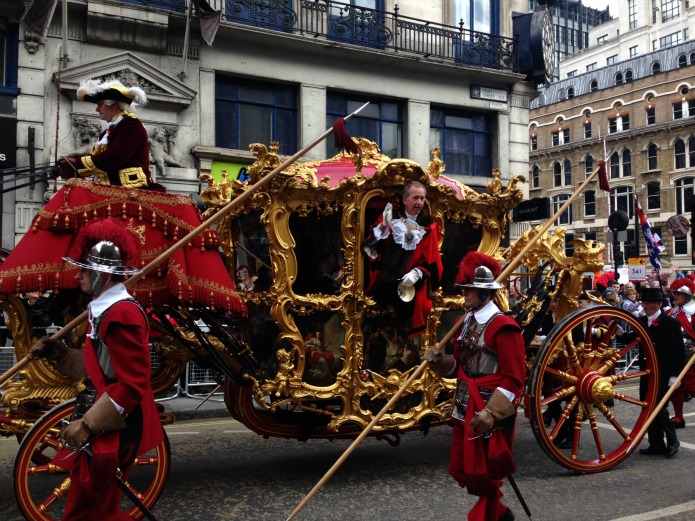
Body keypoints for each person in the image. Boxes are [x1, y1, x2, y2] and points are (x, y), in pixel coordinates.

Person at [29, 218, 164, 519]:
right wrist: (59, 353)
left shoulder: (122, 315)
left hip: (114, 424)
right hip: (102, 418)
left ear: (102, 275)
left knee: (90, 511)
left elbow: (131, 384)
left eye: (84, 270)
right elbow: (100, 371)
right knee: (89, 508)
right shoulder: (106, 310)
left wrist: (88, 424)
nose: (77, 276)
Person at [424, 252, 525, 521]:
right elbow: (459, 366)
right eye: (465, 289)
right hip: (464, 405)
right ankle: (500, 514)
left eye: (470, 290)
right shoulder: (466, 322)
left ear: (484, 294)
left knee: (484, 470)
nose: (465, 294)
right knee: (461, 468)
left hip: (489, 410)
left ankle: (491, 515)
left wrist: (491, 413)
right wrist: (438, 361)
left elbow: (514, 378)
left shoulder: (504, 327)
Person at [362, 180, 443, 338]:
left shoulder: (428, 226)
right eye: (415, 198)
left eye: (421, 198)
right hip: (385, 278)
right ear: (405, 200)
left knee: (410, 299)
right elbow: (368, 246)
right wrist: (384, 226)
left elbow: (431, 259)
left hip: (414, 281)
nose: (419, 202)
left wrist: (415, 274)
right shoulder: (390, 217)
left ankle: (406, 334)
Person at [56, 78, 156, 189]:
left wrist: (76, 162)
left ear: (113, 104)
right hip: (109, 189)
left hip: (130, 190)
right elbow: (97, 160)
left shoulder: (131, 124)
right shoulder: (107, 132)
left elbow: (115, 157)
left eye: (100, 104)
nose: (97, 109)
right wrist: (69, 169)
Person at [621, 286, 685, 457]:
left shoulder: (671, 323)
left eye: (650, 303)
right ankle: (656, 444)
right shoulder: (641, 322)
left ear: (658, 304)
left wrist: (675, 376)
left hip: (664, 374)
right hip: (646, 374)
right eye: (645, 303)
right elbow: (629, 338)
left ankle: (672, 441)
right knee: (648, 408)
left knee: (660, 408)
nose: (647, 306)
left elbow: (678, 352)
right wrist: (616, 331)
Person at [667, 278, 695, 429]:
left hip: (690, 357)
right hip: (674, 357)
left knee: (692, 387)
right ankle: (679, 418)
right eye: (674, 294)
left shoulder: (693, 312)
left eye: (678, 294)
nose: (675, 296)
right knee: (675, 389)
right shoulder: (672, 311)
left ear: (687, 296)